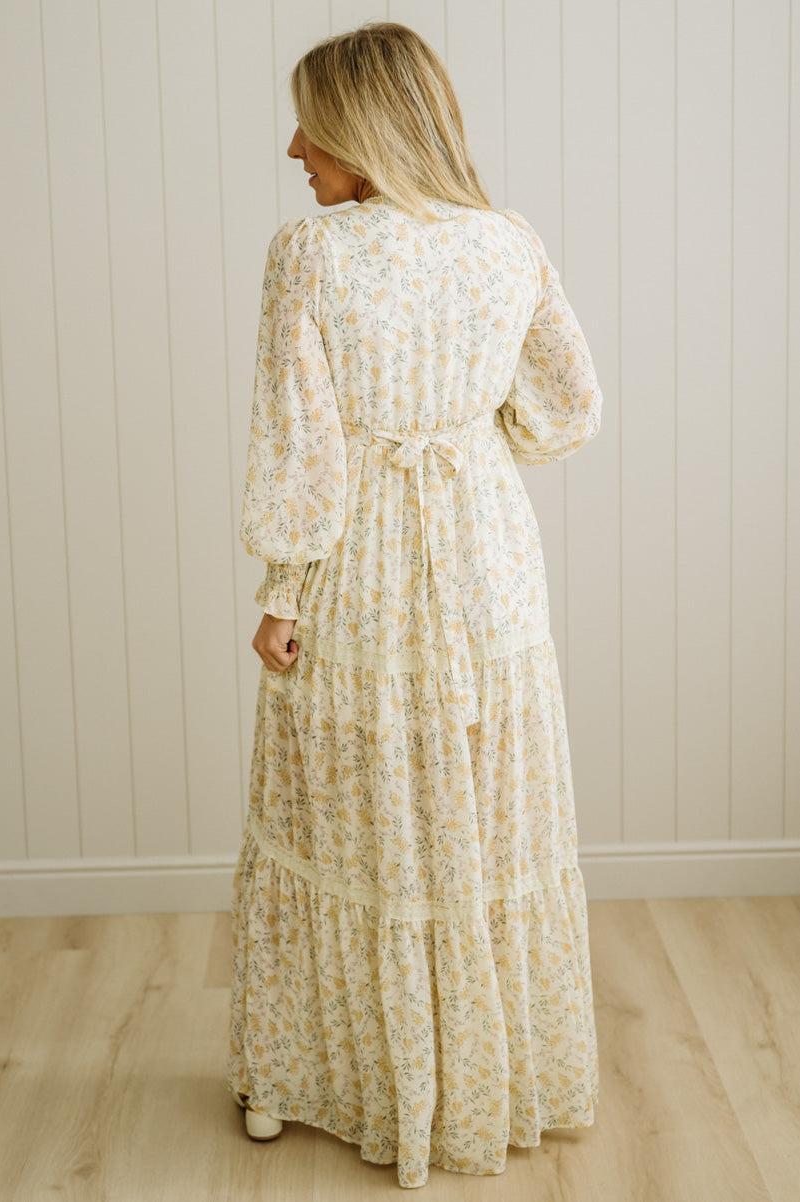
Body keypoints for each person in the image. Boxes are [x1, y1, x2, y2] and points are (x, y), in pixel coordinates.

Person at [226, 20, 602, 1191]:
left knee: (349, 813)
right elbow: (565, 409)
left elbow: (301, 446)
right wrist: (463, 433)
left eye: (310, 123)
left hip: (363, 570)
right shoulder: (508, 242)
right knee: (481, 820)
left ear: (360, 128)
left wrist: (284, 584)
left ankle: (317, 1077)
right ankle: (489, 1082)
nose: (294, 146)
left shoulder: (314, 252)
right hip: (489, 561)